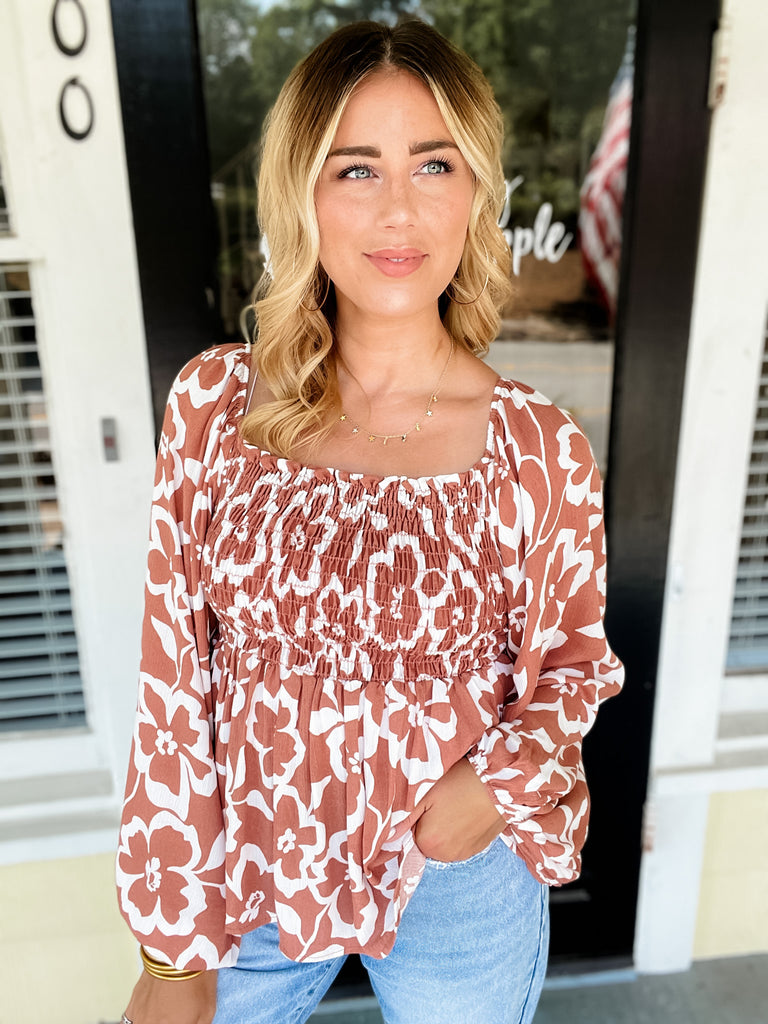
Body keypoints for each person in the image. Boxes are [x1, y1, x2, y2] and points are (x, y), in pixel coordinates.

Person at [117, 18, 624, 1024]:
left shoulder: (535, 445)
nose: (399, 209)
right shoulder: (218, 404)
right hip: (252, 863)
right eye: (356, 169)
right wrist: (171, 952)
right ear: (301, 193)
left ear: (475, 191)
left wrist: (484, 795)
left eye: (434, 164)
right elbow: (173, 675)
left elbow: (574, 665)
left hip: (453, 876)